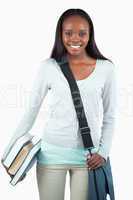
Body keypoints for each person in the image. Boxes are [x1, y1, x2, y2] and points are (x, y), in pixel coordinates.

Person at [2, 8, 117, 200]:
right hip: (51, 156)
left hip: (88, 159)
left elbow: (110, 115)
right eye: (68, 33)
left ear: (90, 35)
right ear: (60, 34)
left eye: (82, 33)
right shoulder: (48, 67)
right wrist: (8, 153)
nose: (75, 39)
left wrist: (103, 152)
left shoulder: (106, 69)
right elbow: (30, 112)